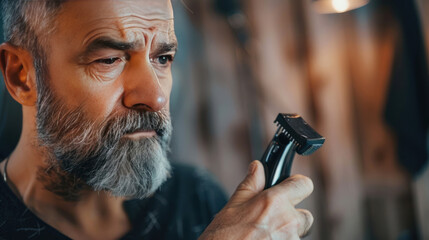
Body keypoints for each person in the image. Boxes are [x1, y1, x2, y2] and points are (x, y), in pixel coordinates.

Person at [0, 0, 314, 239]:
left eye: (162, 59)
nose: (156, 98)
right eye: (109, 60)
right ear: (21, 76)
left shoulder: (197, 199)